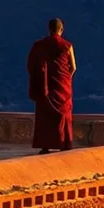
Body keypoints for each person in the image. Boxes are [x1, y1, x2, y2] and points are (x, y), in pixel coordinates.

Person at [26, 18, 77, 153]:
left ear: (49, 29)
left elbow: (31, 65)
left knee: (45, 116)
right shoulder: (67, 45)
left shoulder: (39, 45)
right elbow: (73, 67)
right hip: (63, 85)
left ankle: (45, 146)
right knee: (63, 115)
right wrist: (66, 79)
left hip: (45, 85)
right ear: (61, 30)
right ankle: (64, 143)